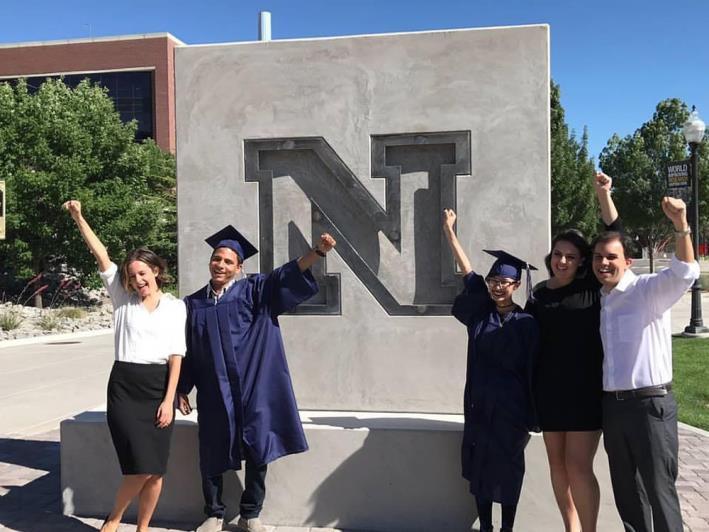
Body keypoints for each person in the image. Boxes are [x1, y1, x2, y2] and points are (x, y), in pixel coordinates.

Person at [177, 225, 336, 532]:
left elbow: (285, 275)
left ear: (239, 267)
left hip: (253, 387)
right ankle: (213, 513)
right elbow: (189, 350)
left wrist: (317, 253)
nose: (220, 265)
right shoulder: (193, 304)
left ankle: (252, 513)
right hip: (214, 390)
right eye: (217, 259)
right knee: (211, 450)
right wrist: (183, 387)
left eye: (227, 261)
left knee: (257, 449)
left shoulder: (255, 290)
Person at [63, 200, 186, 532]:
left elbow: (176, 355)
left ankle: (143, 528)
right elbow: (101, 255)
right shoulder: (122, 299)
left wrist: (169, 400)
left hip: (159, 387)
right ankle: (113, 520)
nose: (138, 280)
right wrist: (78, 216)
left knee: (156, 470)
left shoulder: (176, 307)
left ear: (156, 271)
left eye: (143, 273)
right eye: (132, 276)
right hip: (125, 387)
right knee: (139, 468)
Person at [592, 195, 699, 532]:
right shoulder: (601, 299)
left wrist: (681, 226)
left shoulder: (647, 290)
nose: (603, 263)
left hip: (650, 406)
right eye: (598, 257)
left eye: (611, 257)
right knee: (627, 494)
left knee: (659, 492)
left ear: (628, 261)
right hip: (614, 408)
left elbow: (685, 272)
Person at [524, 171, 620, 532]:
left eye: (571, 256)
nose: (562, 261)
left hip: (584, 393)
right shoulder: (538, 296)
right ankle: (571, 528)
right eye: (558, 254)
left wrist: (603, 195)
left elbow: (617, 234)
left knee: (579, 466)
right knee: (557, 467)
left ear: (583, 261)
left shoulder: (591, 288)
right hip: (548, 393)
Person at [443, 209, 539, 532]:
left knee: (510, 470)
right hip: (480, 408)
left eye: (505, 282)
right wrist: (449, 232)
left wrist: (532, 415)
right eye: (493, 281)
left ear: (516, 284)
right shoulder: (480, 315)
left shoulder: (527, 324)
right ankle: (485, 527)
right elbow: (467, 270)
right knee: (481, 471)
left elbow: (532, 372)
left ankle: (507, 528)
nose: (498, 287)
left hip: (512, 413)